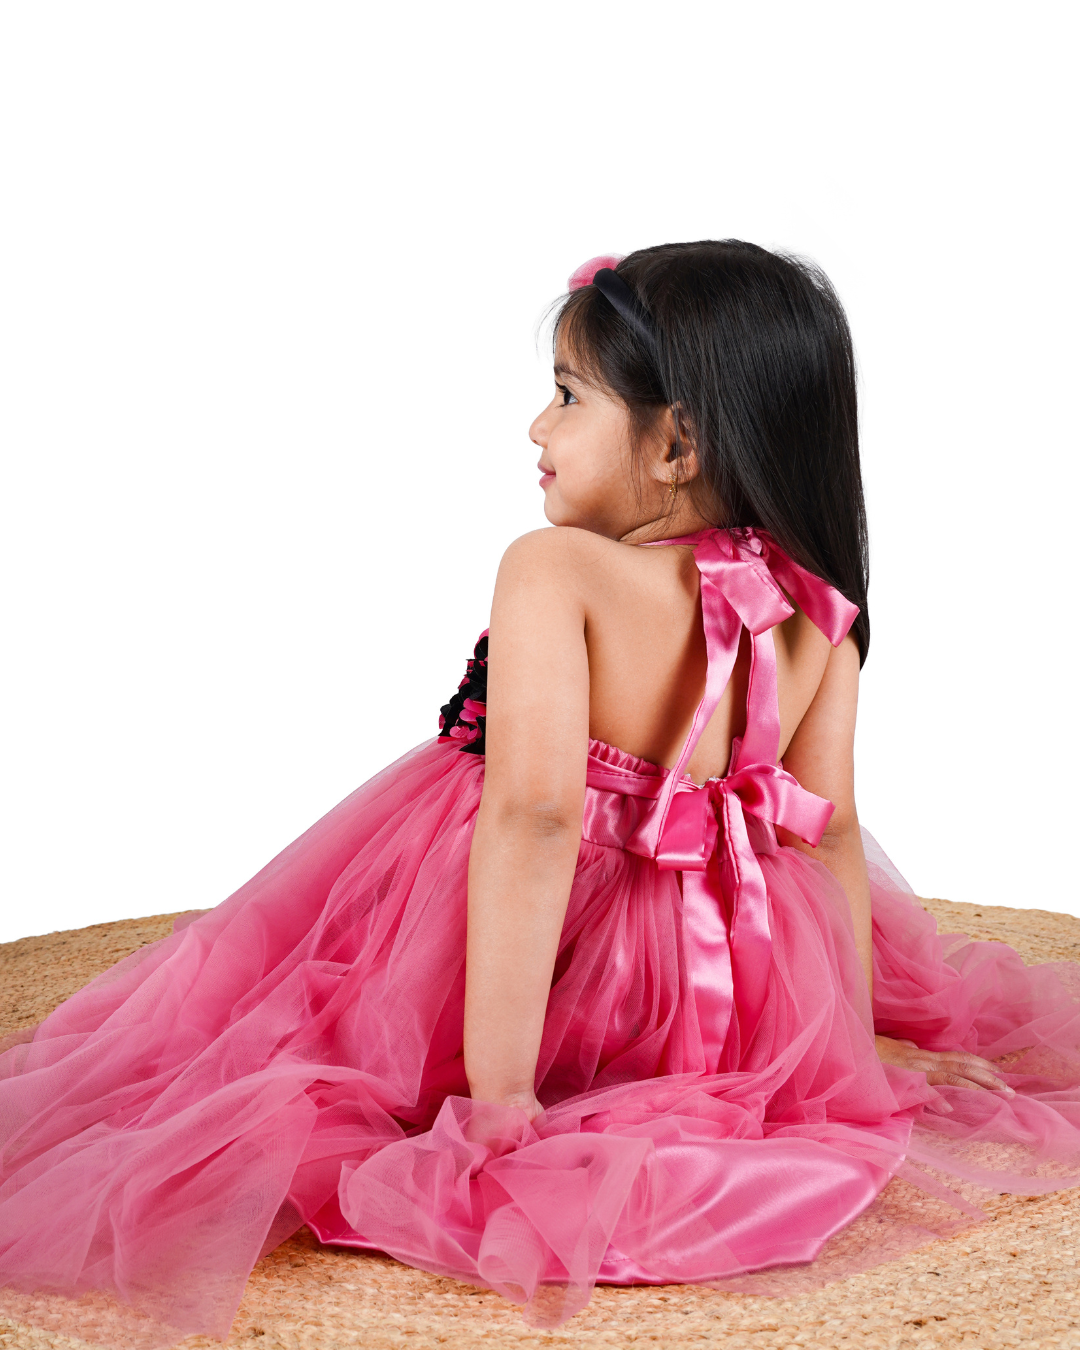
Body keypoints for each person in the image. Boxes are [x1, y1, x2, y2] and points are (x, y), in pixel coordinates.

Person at [2, 241, 1078, 1348]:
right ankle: (675, 1078)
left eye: (567, 397)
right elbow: (827, 830)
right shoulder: (818, 611)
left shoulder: (555, 569)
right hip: (723, 997)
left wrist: (500, 1091)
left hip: (546, 961)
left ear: (677, 442)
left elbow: (535, 814)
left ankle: (524, 1080)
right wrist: (845, 1037)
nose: (536, 428)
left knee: (267, 1015)